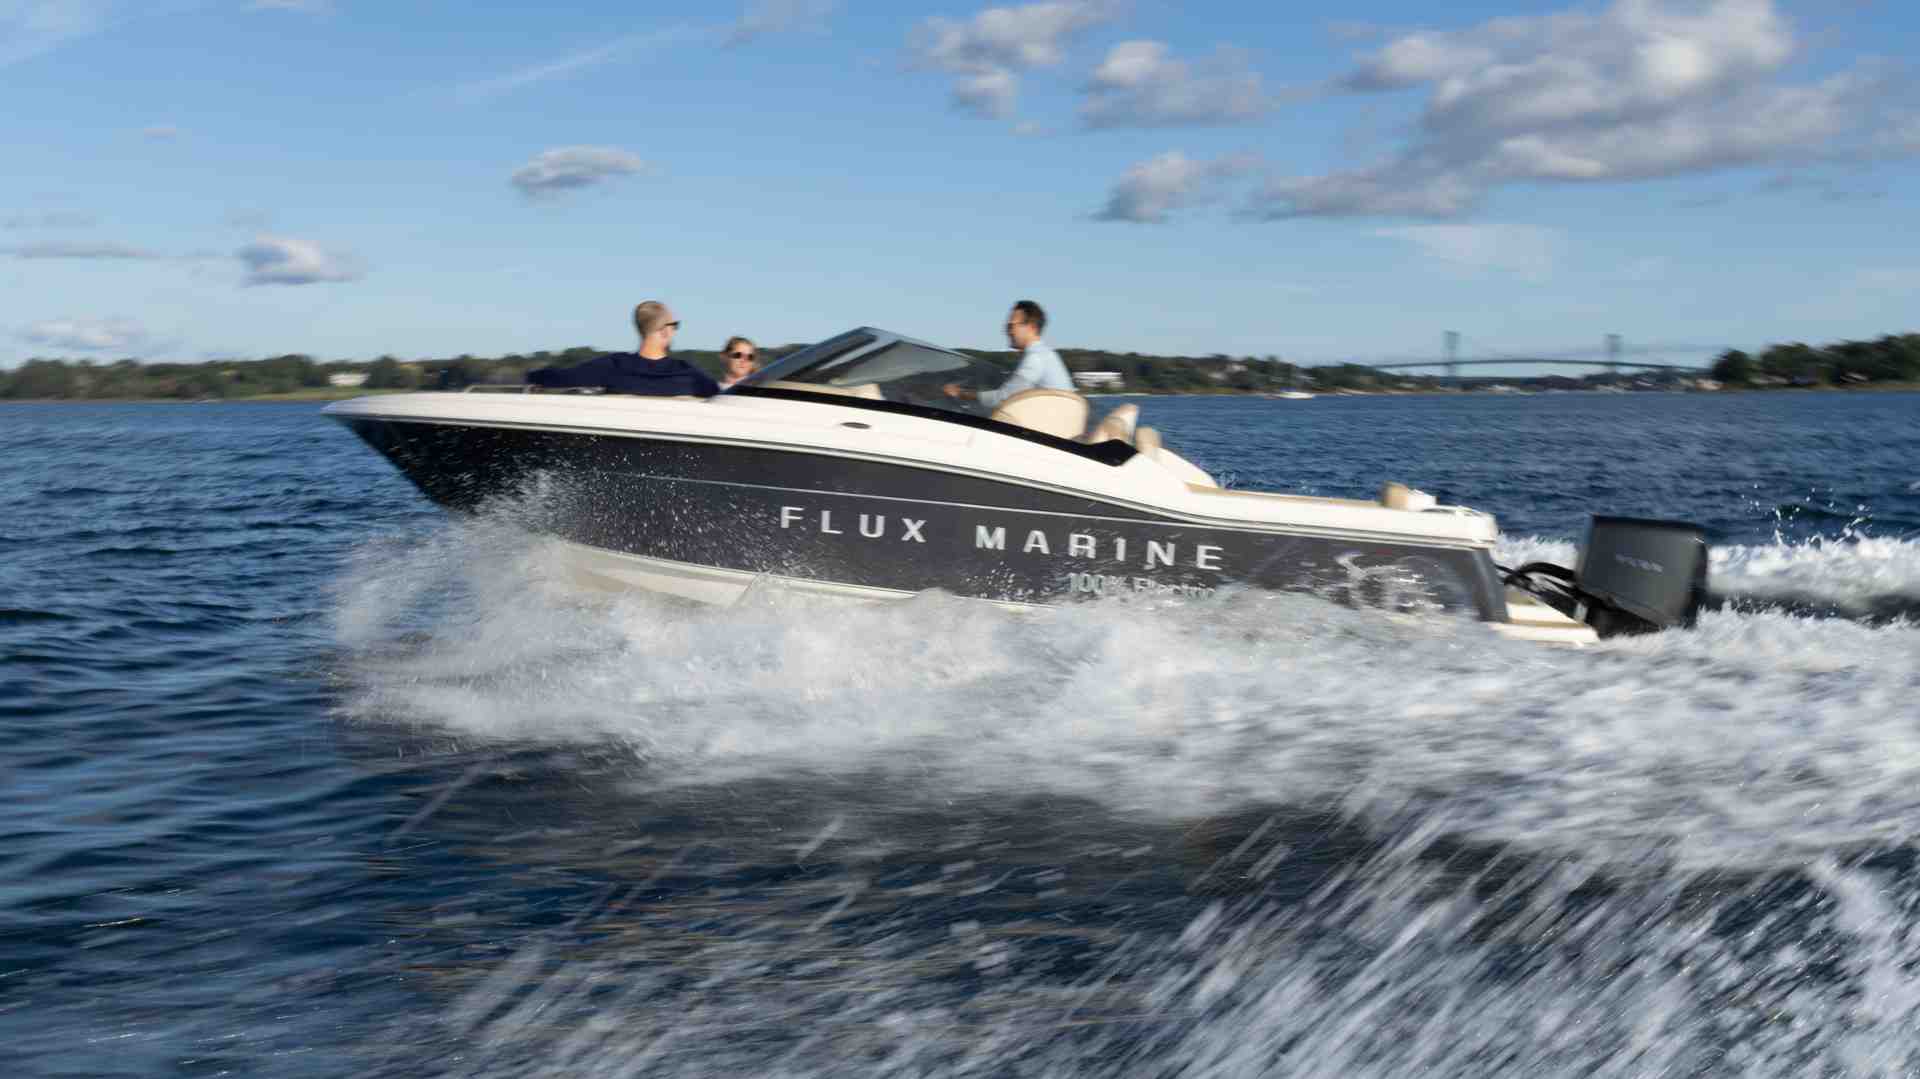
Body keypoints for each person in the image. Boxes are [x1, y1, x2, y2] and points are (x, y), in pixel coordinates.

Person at [525, 301, 720, 397]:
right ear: (665, 331)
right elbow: (718, 396)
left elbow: (564, 377)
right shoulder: (688, 374)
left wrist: (532, 376)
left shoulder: (615, 366)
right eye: (674, 325)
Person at [943, 299, 1074, 409]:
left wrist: (960, 393)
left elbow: (1004, 398)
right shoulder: (1047, 355)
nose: (1007, 331)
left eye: (1011, 326)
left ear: (1031, 327)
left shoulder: (1035, 358)